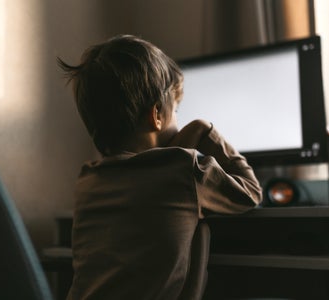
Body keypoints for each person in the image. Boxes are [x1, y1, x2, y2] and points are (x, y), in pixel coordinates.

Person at [58, 34, 262, 300]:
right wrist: (206, 131)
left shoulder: (88, 180)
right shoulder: (184, 169)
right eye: (177, 110)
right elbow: (251, 193)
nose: (179, 118)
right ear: (156, 115)